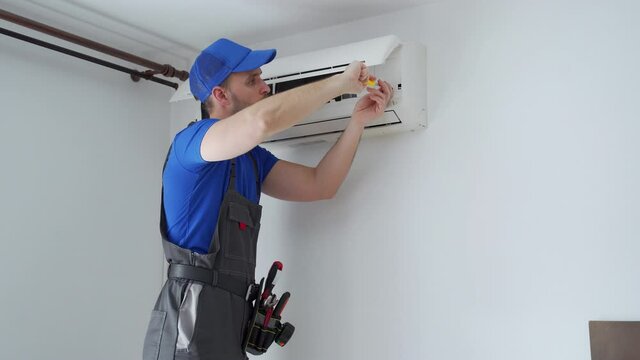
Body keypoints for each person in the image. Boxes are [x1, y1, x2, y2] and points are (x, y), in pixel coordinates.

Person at [142, 38, 394, 360]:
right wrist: (340, 82)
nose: (265, 87)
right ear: (220, 95)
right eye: (252, 81)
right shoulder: (190, 145)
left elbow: (321, 184)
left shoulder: (252, 160)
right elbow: (260, 122)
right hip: (190, 316)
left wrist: (357, 123)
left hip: (232, 318)